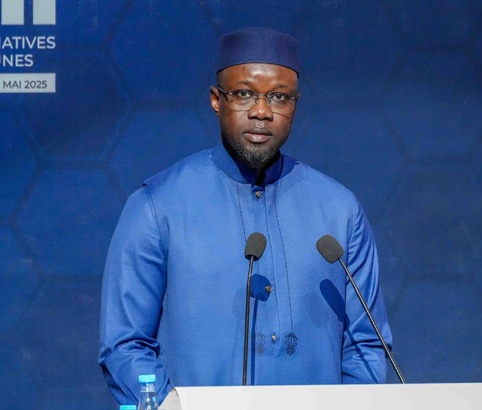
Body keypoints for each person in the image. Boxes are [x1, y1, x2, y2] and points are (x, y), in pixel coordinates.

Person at [98, 26, 392, 405]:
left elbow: (366, 344)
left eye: (279, 97)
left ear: (295, 105)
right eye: (244, 94)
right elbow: (125, 345)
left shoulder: (339, 210)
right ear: (216, 100)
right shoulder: (157, 206)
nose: (261, 111)